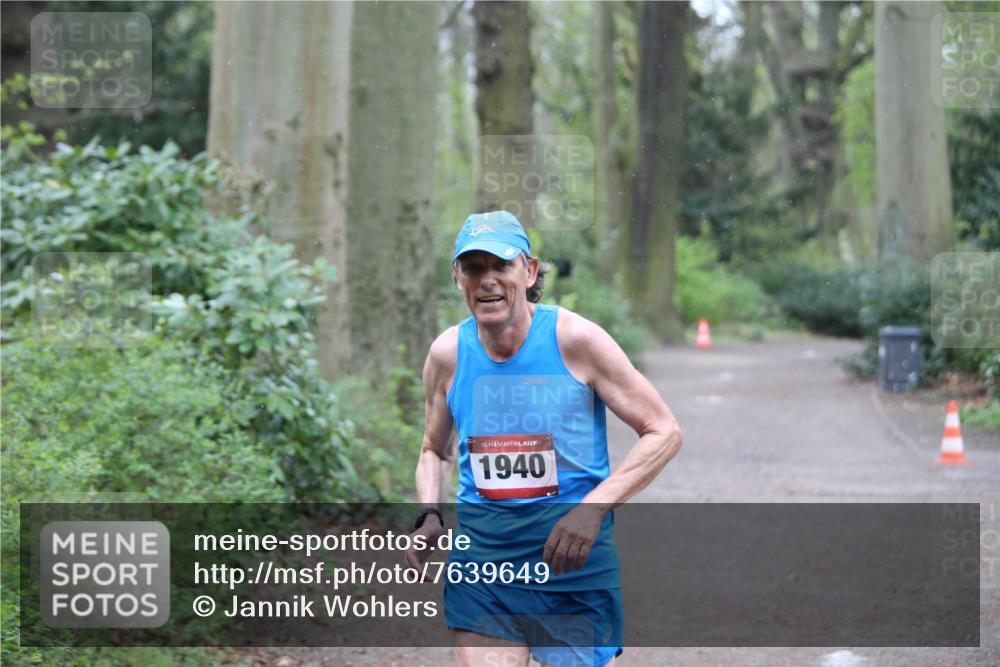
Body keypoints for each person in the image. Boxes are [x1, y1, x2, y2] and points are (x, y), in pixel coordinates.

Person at [405, 210, 682, 667]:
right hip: (483, 566)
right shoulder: (448, 354)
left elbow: (663, 430)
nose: (487, 280)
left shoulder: (577, 340)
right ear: (457, 277)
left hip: (571, 564)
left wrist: (590, 511)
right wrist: (429, 514)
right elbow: (435, 449)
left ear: (529, 271)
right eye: (473, 268)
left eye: (501, 265)